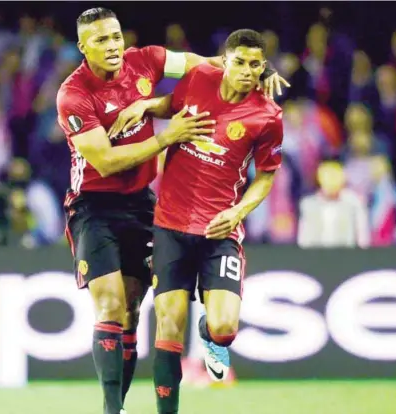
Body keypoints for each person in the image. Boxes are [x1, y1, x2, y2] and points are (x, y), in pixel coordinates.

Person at [56, 8, 289, 414]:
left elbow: (212, 63)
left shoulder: (146, 59)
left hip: (144, 202)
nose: (112, 47)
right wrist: (169, 137)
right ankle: (114, 409)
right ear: (83, 47)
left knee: (131, 306)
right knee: (111, 303)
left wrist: (254, 74)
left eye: (115, 37)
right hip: (94, 203)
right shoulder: (74, 94)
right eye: (100, 40)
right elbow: (107, 161)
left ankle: (129, 398)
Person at [116, 29, 284, 413]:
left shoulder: (268, 116)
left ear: (262, 68)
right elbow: (172, 105)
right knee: (168, 324)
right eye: (238, 62)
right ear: (224, 61)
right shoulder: (198, 78)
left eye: (254, 65)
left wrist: (237, 211)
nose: (246, 71)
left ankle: (210, 338)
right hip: (170, 224)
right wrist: (144, 106)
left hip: (218, 231)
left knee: (225, 328)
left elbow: (267, 176)